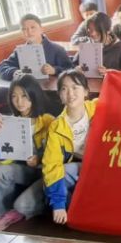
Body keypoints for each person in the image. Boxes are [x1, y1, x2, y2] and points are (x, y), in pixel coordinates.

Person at [0, 75, 54, 230]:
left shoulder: (48, 121)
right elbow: (2, 158)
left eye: (24, 96)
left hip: (44, 173)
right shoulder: (9, 122)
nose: (19, 101)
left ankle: (26, 208)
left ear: (34, 96)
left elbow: (58, 155)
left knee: (22, 205)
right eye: (14, 96)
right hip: (24, 171)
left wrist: (39, 159)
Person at [42, 70, 98, 225]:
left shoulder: (98, 107)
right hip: (78, 166)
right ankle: (76, 209)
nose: (70, 93)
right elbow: (52, 164)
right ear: (60, 95)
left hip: (101, 165)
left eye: (75, 87)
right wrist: (59, 204)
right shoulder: (56, 127)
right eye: (64, 89)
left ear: (86, 91)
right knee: (54, 182)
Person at [0, 14, 72, 81]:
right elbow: (1, 67)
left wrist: (54, 70)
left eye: (33, 27)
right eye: (24, 29)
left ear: (41, 29)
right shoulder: (20, 51)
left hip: (51, 88)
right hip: (28, 88)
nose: (29, 32)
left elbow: (70, 69)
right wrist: (14, 72)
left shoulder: (57, 49)